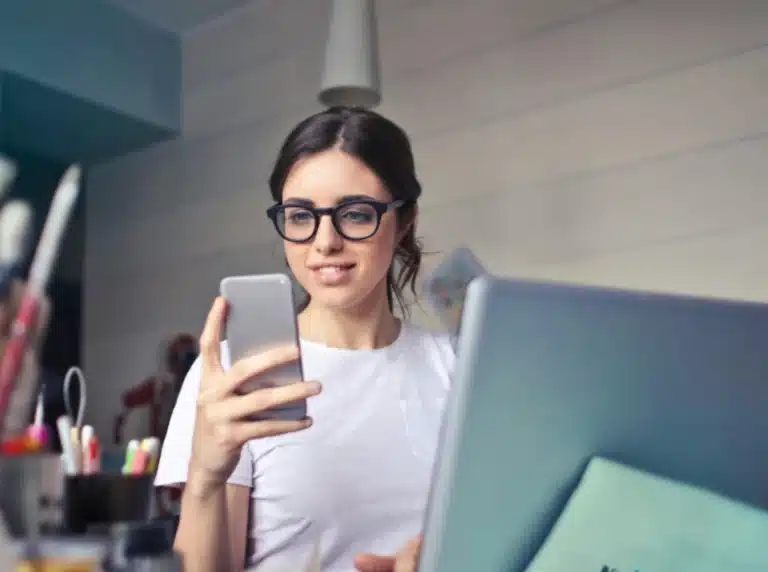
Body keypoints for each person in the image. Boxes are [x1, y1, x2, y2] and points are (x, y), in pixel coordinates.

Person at [154, 106, 455, 572]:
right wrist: (205, 479)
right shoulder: (238, 376)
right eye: (300, 216)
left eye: (355, 214)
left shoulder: (458, 368)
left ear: (405, 221)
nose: (325, 242)